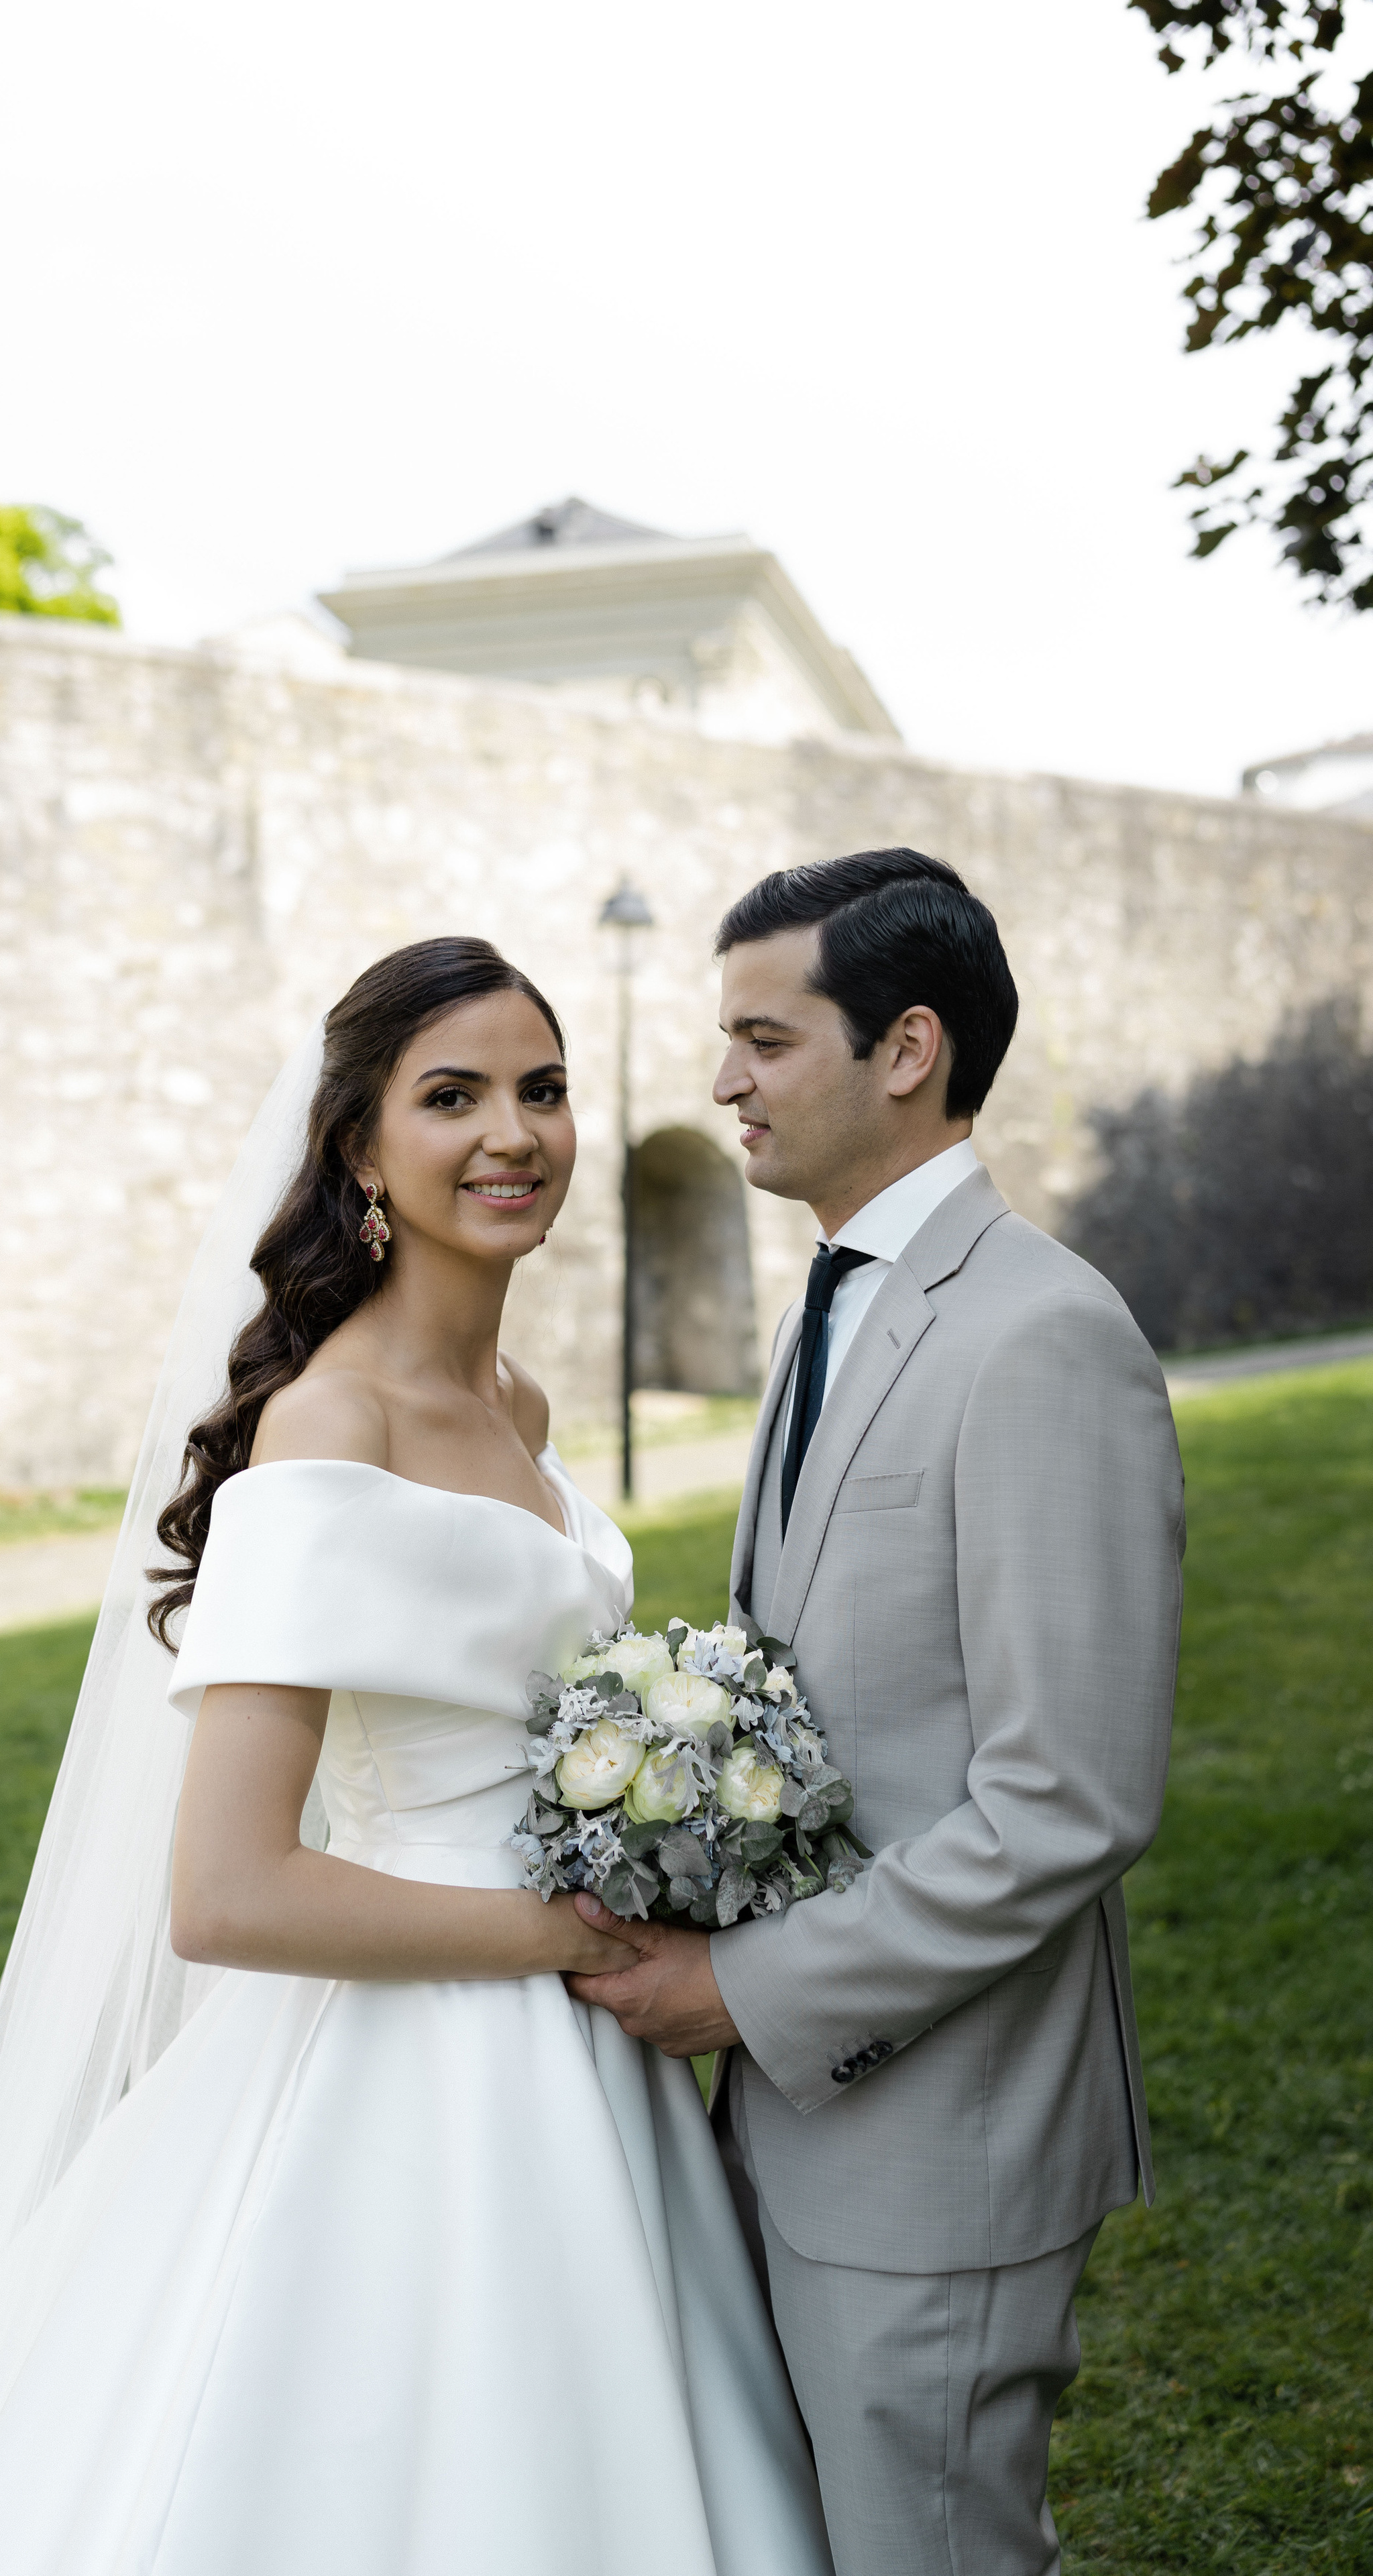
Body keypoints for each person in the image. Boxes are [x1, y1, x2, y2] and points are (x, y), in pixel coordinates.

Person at [0, 936, 832, 2576]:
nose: (509, 1134)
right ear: (358, 1151)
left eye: (542, 1089)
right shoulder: (332, 1424)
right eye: (447, 1097)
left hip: (582, 2049)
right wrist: (561, 1935)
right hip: (419, 2055)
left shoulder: (518, 1406)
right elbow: (229, 1892)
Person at [568, 851, 1185, 2576]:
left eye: (762, 1039)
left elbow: (1064, 1800)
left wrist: (740, 1986)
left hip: (942, 2138)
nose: (721, 1081)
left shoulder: (1042, 1337)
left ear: (903, 1049)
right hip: (798, 2123)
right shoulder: (830, 1305)